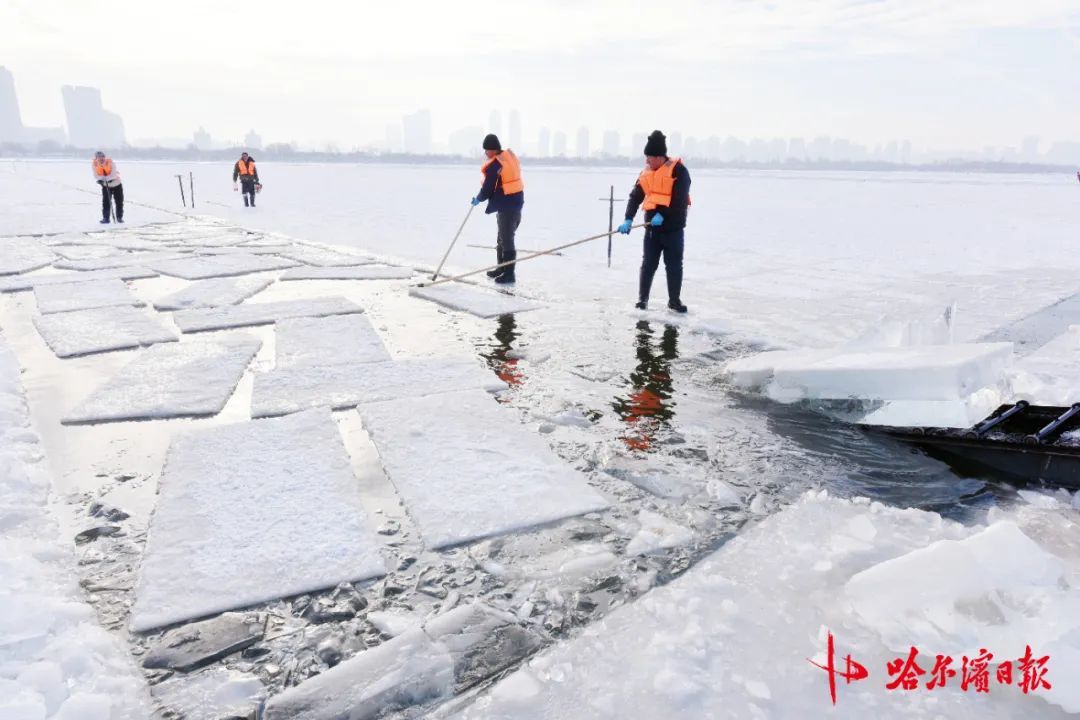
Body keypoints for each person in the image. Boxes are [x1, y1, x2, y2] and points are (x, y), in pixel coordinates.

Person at [617, 130, 691, 313]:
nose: (647, 161)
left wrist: (663, 215)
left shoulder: (679, 171)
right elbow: (635, 197)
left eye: (649, 157)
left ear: (659, 157)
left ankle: (674, 301)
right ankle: (642, 300)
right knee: (648, 264)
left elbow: (679, 200)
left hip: (673, 230)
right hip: (652, 230)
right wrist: (628, 218)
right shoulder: (646, 173)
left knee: (674, 266)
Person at [472, 134, 524, 284]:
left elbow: (488, 187)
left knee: (506, 239)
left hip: (507, 205)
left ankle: (509, 274)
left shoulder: (496, 164)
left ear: (493, 149)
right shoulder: (508, 157)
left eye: (486, 150)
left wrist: (479, 198)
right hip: (515, 202)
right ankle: (501, 269)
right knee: (502, 237)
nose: (485, 153)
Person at [92, 151, 124, 224]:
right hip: (106, 186)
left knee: (119, 201)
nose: (101, 158)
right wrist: (102, 180)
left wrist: (105, 179)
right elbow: (96, 175)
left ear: (104, 157)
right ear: (96, 158)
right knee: (106, 202)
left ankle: (119, 217)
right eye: (99, 157)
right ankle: (106, 218)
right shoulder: (94, 165)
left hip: (117, 184)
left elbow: (113, 175)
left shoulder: (111, 163)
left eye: (102, 156)